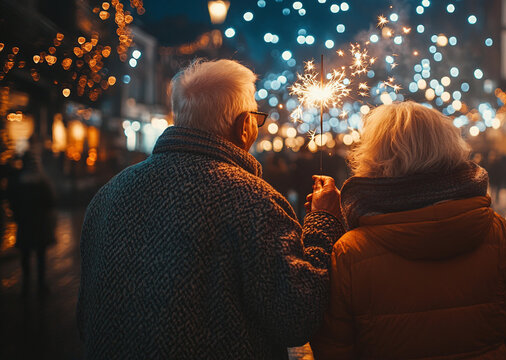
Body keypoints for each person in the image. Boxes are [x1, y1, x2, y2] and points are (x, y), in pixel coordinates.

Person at [77, 59, 345, 359]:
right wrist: (323, 223)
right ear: (244, 125)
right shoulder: (254, 201)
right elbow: (297, 318)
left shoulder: (109, 194)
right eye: (256, 119)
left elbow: (85, 316)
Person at [311, 102, 506, 359]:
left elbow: (332, 348)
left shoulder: (351, 251)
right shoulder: (495, 231)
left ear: (375, 159)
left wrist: (323, 223)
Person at [7, 146, 56, 296]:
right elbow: (51, 201)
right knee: (39, 256)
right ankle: (40, 285)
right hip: (38, 224)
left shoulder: (20, 181)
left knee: (26, 256)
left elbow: (13, 201)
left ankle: (27, 285)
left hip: (26, 223)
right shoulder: (42, 181)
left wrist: (17, 215)